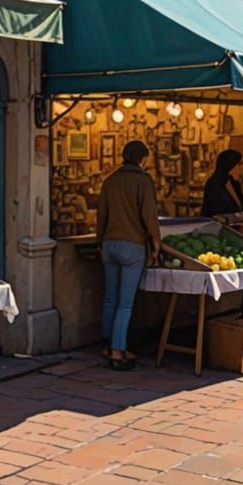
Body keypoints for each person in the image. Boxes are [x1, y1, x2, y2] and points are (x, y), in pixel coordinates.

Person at [96, 141, 161, 371]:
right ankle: (117, 351)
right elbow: (150, 216)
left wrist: (100, 242)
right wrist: (155, 243)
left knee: (110, 299)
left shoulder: (110, 181)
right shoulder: (143, 181)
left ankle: (107, 345)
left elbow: (101, 215)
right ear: (142, 159)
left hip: (109, 244)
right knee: (125, 303)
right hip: (132, 247)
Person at [199, 150, 243, 217]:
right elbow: (227, 212)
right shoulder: (214, 185)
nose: (242, 169)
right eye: (239, 164)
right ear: (231, 165)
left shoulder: (232, 182)